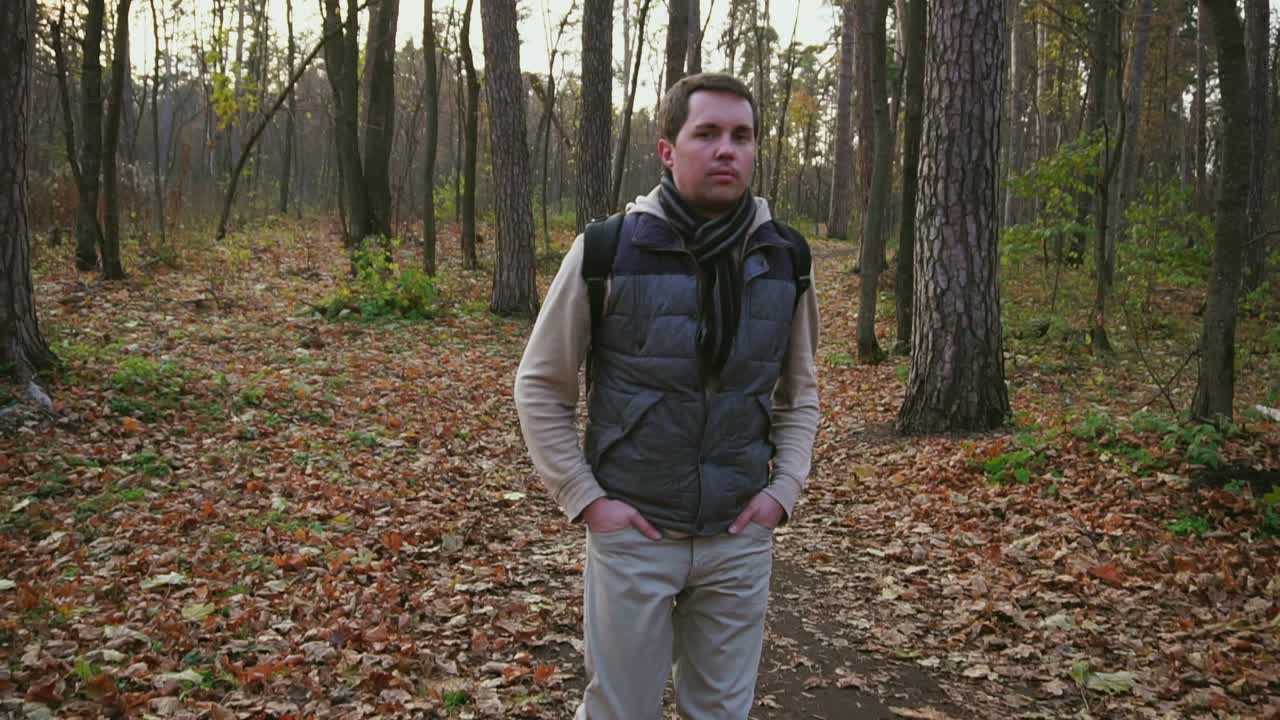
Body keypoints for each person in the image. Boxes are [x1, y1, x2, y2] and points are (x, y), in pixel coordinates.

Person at [513, 72, 820, 720]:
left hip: (738, 536)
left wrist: (781, 492)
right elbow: (541, 384)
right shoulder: (607, 251)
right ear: (667, 149)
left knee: (721, 712)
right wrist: (588, 502)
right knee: (620, 711)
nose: (726, 149)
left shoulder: (784, 258)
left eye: (741, 135)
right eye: (706, 133)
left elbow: (800, 394)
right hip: (634, 533)